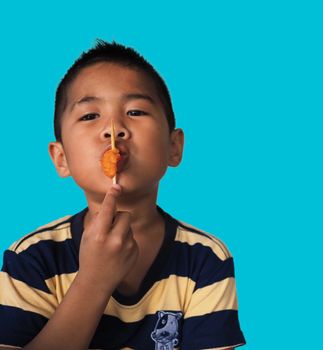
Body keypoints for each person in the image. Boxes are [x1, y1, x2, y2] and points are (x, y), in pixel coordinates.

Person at [0, 40, 246, 350]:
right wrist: (94, 281)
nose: (114, 129)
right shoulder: (32, 258)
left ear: (174, 147)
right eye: (90, 116)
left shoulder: (206, 258)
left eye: (135, 111)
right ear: (61, 158)